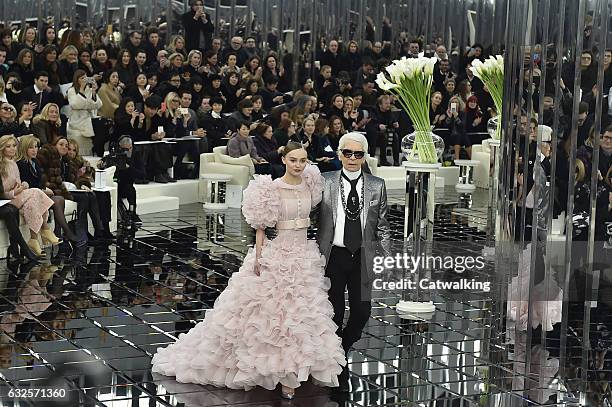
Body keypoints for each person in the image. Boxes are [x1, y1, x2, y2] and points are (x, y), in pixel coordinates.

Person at [151, 141, 346, 399]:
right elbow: (261, 228)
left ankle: (295, 370)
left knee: (301, 317)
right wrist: (259, 254)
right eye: (293, 160)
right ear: (284, 159)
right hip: (277, 254)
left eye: (303, 160)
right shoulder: (270, 189)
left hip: (304, 255)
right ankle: (278, 373)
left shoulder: (312, 183)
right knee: (271, 319)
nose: (299, 165)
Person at [315, 132, 391, 393]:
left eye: (358, 154)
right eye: (347, 153)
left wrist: (386, 258)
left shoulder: (377, 185)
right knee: (334, 313)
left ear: (364, 156)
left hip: (362, 257)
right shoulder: (324, 182)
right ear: (339, 154)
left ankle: (341, 349)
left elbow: (383, 226)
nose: (352, 158)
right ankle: (336, 359)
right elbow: (309, 214)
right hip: (332, 256)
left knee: (362, 311)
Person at [16, 135, 82, 246]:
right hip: (29, 195)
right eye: (31, 147)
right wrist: (44, 190)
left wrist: (44, 189)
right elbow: (28, 184)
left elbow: (39, 182)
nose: (35, 150)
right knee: (56, 199)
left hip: (39, 192)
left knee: (59, 199)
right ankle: (63, 233)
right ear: (24, 148)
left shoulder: (35, 162)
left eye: (36, 147)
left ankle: (59, 232)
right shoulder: (21, 164)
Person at [0, 135, 60, 256]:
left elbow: (18, 182)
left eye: (14, 146)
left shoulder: (13, 163)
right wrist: (17, 190)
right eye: (8, 146)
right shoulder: (2, 166)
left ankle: (34, 240)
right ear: (2, 149)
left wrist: (23, 185)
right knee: (36, 192)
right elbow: (3, 193)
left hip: (18, 196)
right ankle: (45, 230)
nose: (12, 149)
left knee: (33, 200)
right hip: (8, 200)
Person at [66, 69, 103, 155]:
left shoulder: (89, 90)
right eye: (82, 78)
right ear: (77, 79)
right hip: (76, 121)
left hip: (89, 120)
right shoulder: (71, 90)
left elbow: (98, 105)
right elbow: (75, 105)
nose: (84, 80)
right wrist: (81, 89)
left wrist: (94, 91)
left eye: (85, 78)